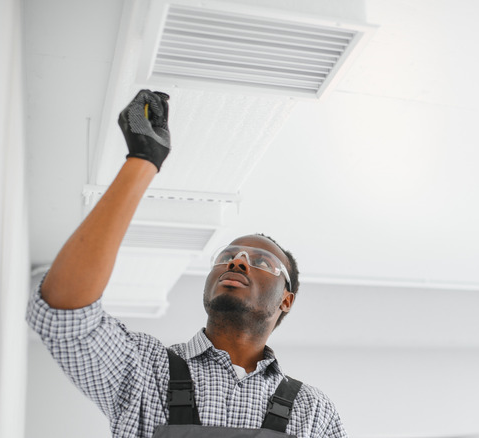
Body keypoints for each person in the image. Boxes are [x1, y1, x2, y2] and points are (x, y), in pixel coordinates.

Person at [27, 90, 347, 438]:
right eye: (226, 257)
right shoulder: (146, 368)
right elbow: (64, 313)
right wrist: (143, 159)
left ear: (287, 299)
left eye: (261, 261)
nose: (237, 261)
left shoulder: (313, 412)